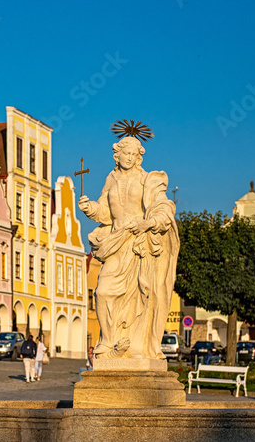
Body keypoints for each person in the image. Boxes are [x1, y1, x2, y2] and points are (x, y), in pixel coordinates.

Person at [79, 135, 180, 359]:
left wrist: (148, 223)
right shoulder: (111, 179)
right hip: (116, 241)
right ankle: (108, 342)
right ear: (117, 155)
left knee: (140, 297)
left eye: (134, 155)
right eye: (126, 153)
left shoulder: (147, 180)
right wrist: (90, 209)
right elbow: (106, 213)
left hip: (139, 244)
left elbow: (165, 209)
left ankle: (134, 346)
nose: (130, 158)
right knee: (103, 292)